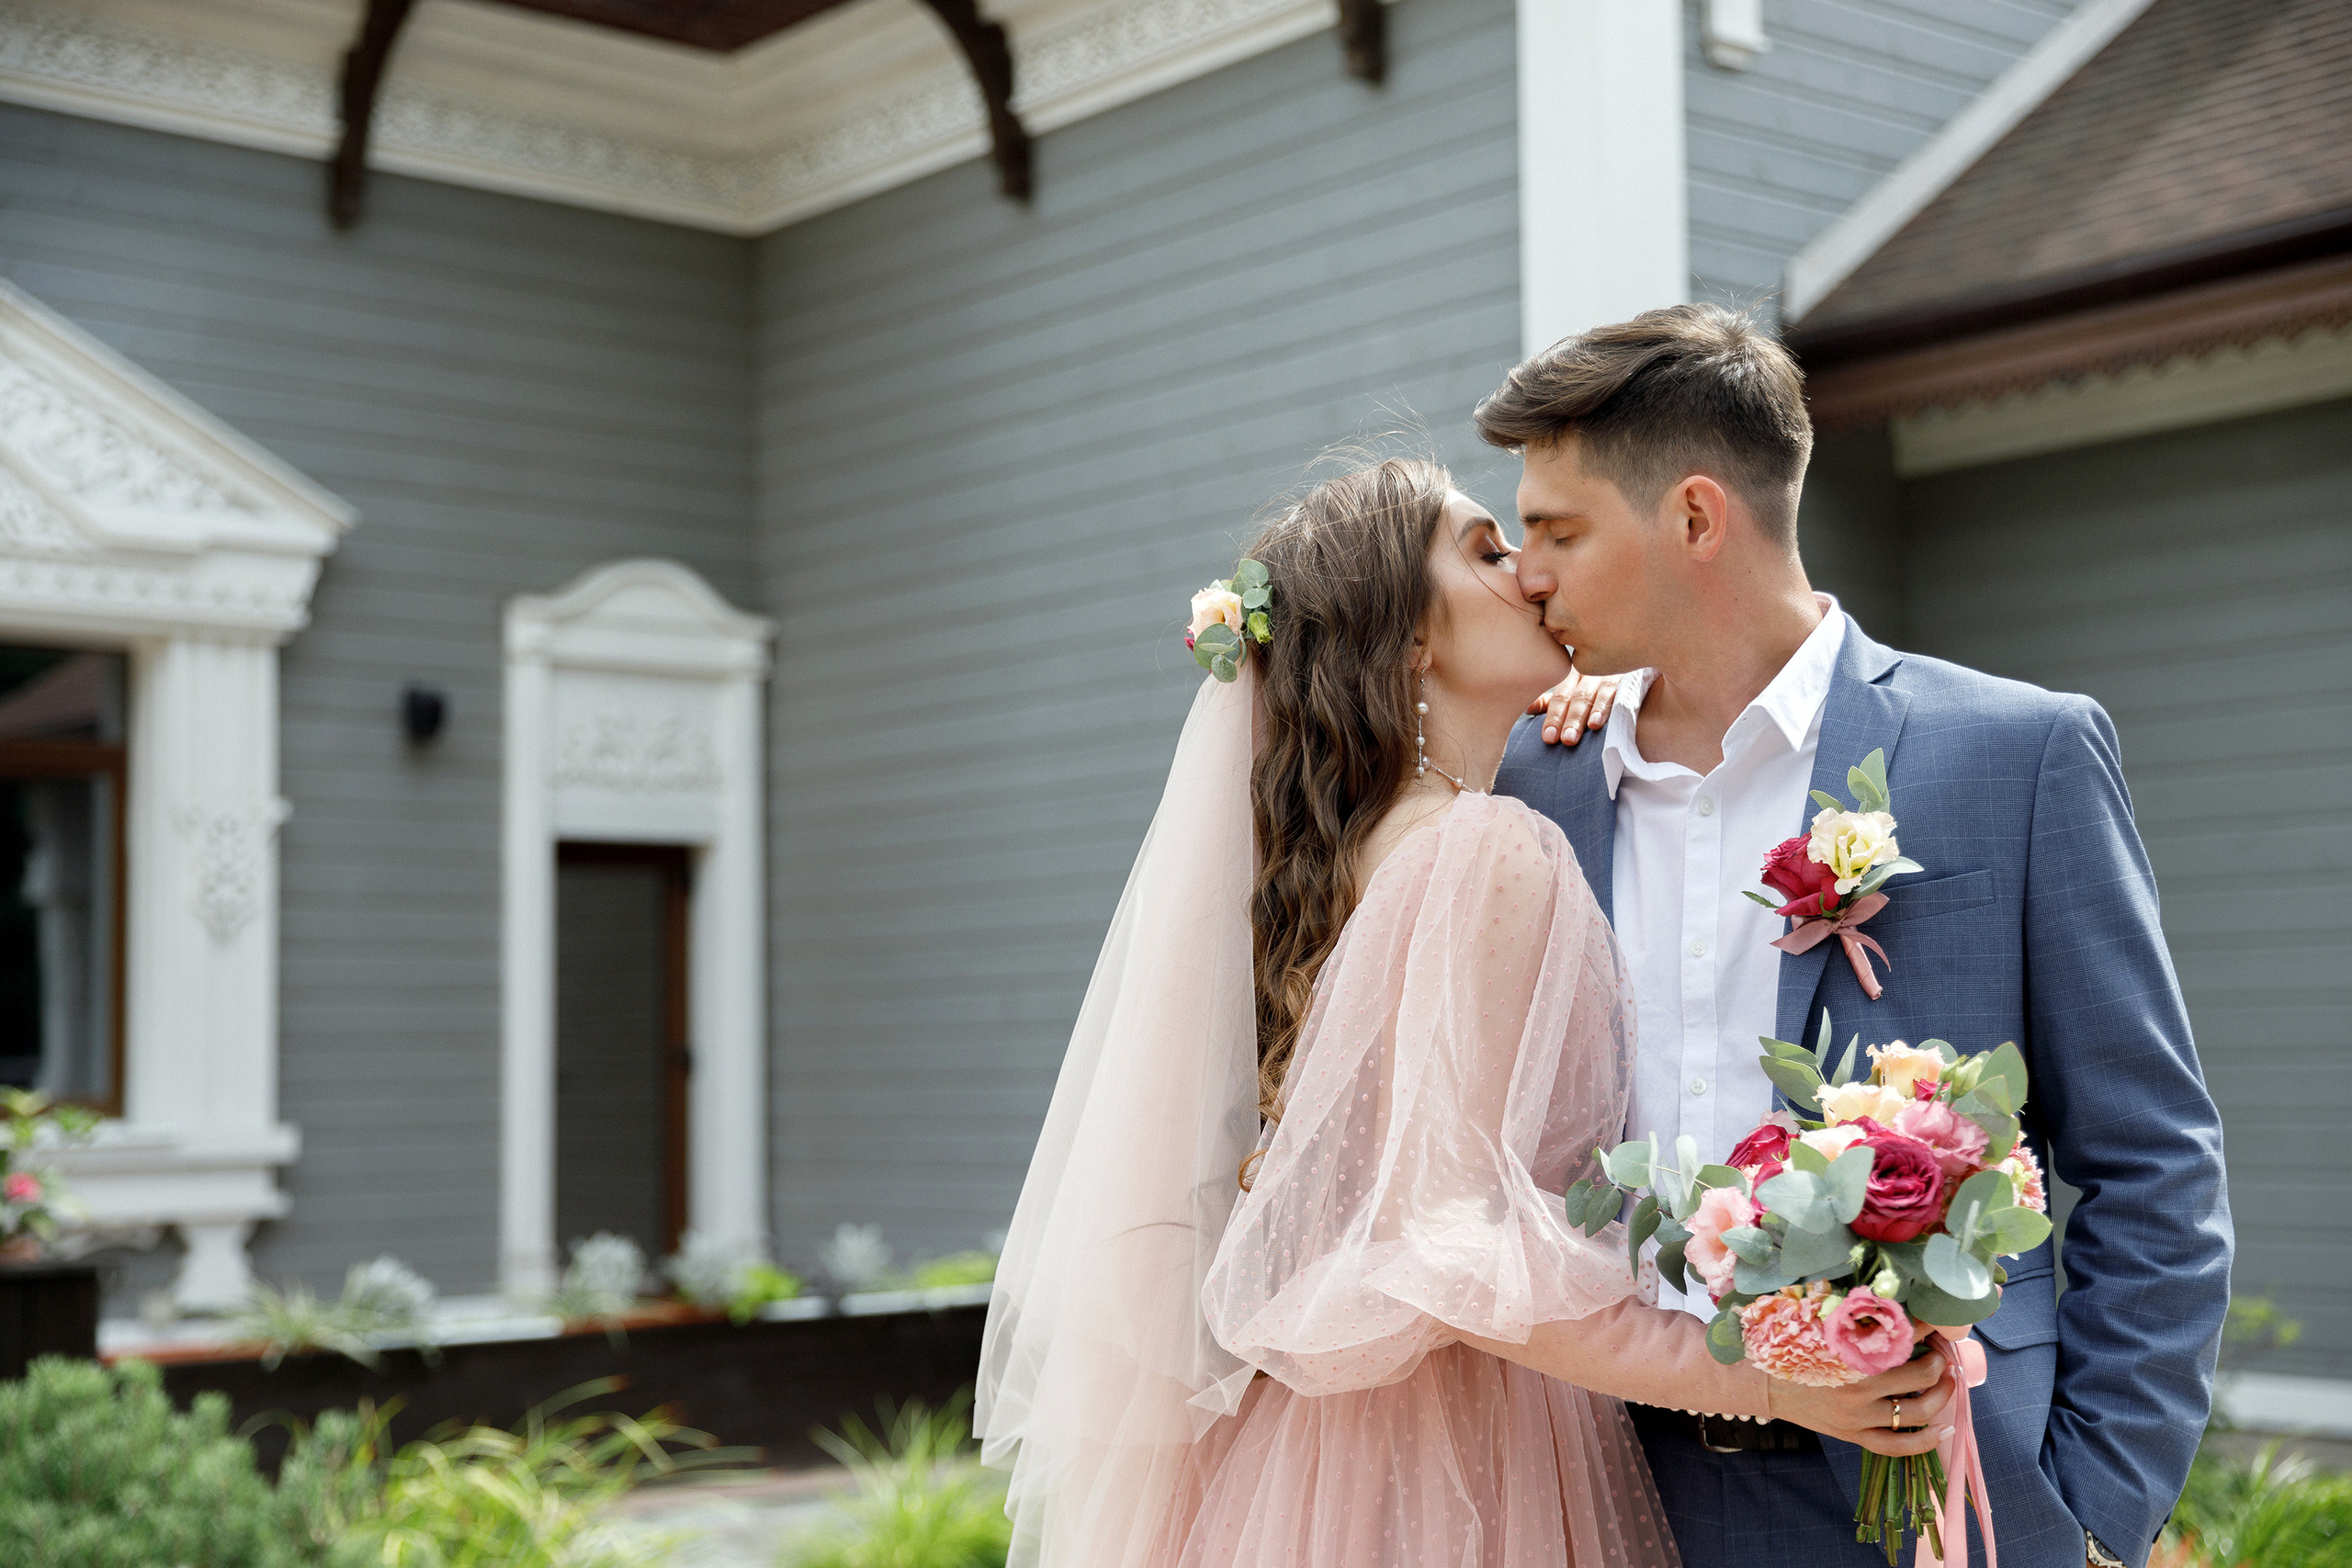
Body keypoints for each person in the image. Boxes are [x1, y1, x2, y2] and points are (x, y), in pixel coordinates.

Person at [977, 456, 1954, 1568]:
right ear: (1407, 642)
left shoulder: (1337, 860)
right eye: (1489, 551)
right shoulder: (1487, 849)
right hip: (1457, 1451)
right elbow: (1457, 1247)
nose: (1533, 576)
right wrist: (1766, 1382)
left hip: (1302, 1452)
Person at [1484, 304, 2233, 1568]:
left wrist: (2100, 1509)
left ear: (1697, 518)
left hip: (1941, 1492)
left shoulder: (2018, 754)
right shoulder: (1531, 782)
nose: (1530, 572)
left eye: (1559, 530)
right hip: (1607, 1489)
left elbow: (2154, 1156)